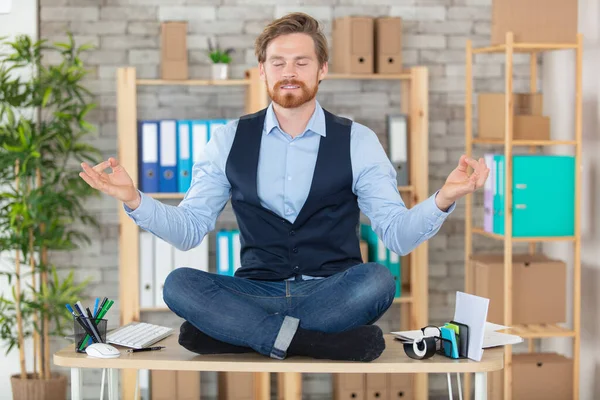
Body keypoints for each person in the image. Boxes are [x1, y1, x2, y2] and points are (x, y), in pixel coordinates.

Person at [79, 12, 489, 362]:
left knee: (378, 280)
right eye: (277, 63)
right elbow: (188, 229)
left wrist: (445, 196)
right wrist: (133, 198)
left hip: (332, 292)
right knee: (179, 284)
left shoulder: (358, 140)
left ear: (321, 69)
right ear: (261, 70)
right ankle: (316, 343)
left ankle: (239, 336)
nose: (289, 73)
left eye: (301, 62)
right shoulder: (228, 139)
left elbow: (396, 235)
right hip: (256, 290)